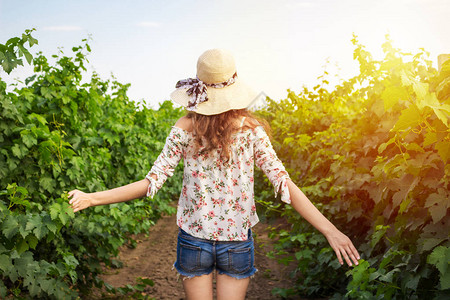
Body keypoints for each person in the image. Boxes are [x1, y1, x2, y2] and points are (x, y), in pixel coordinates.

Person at [68, 48, 360, 300]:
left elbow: (150, 183)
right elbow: (284, 184)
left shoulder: (184, 127)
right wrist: (329, 230)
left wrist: (92, 198)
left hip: (194, 239)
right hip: (236, 240)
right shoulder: (251, 130)